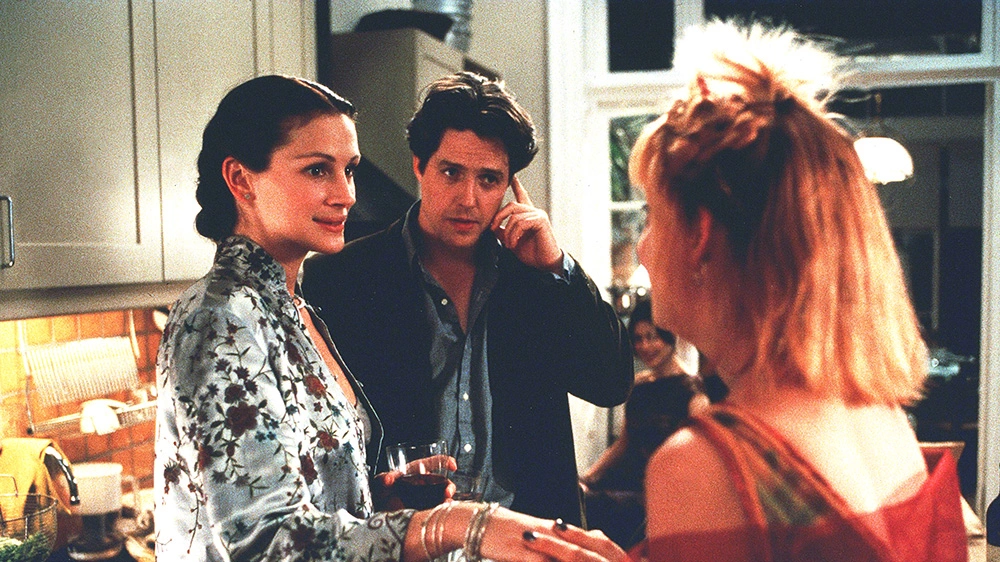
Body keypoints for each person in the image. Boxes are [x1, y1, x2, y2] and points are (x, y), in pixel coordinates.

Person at [154, 74, 623, 562]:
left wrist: (378, 499)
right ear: (240, 179)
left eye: (349, 170)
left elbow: (313, 490)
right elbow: (263, 542)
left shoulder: (291, 306)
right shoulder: (219, 318)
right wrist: (456, 522)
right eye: (317, 170)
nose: (346, 195)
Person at [628, 21, 967, 561]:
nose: (642, 247)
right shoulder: (880, 416)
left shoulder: (703, 463)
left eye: (652, 216)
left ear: (700, 234)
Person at [302, 71, 634, 527]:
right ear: (419, 166)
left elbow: (611, 382)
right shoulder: (340, 278)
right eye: (451, 173)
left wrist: (556, 267)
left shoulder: (535, 276)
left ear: (510, 186)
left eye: (489, 179)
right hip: (403, 540)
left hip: (525, 540)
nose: (469, 199)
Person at [579, 375, 710, 549]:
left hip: (657, 485)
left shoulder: (693, 390)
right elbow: (623, 443)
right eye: (638, 345)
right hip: (629, 479)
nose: (645, 348)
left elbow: (695, 451)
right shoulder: (640, 386)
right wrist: (586, 480)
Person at [627, 298, 686, 384]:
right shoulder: (640, 382)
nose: (645, 346)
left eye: (652, 337)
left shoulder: (690, 385)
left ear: (671, 334)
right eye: (638, 339)